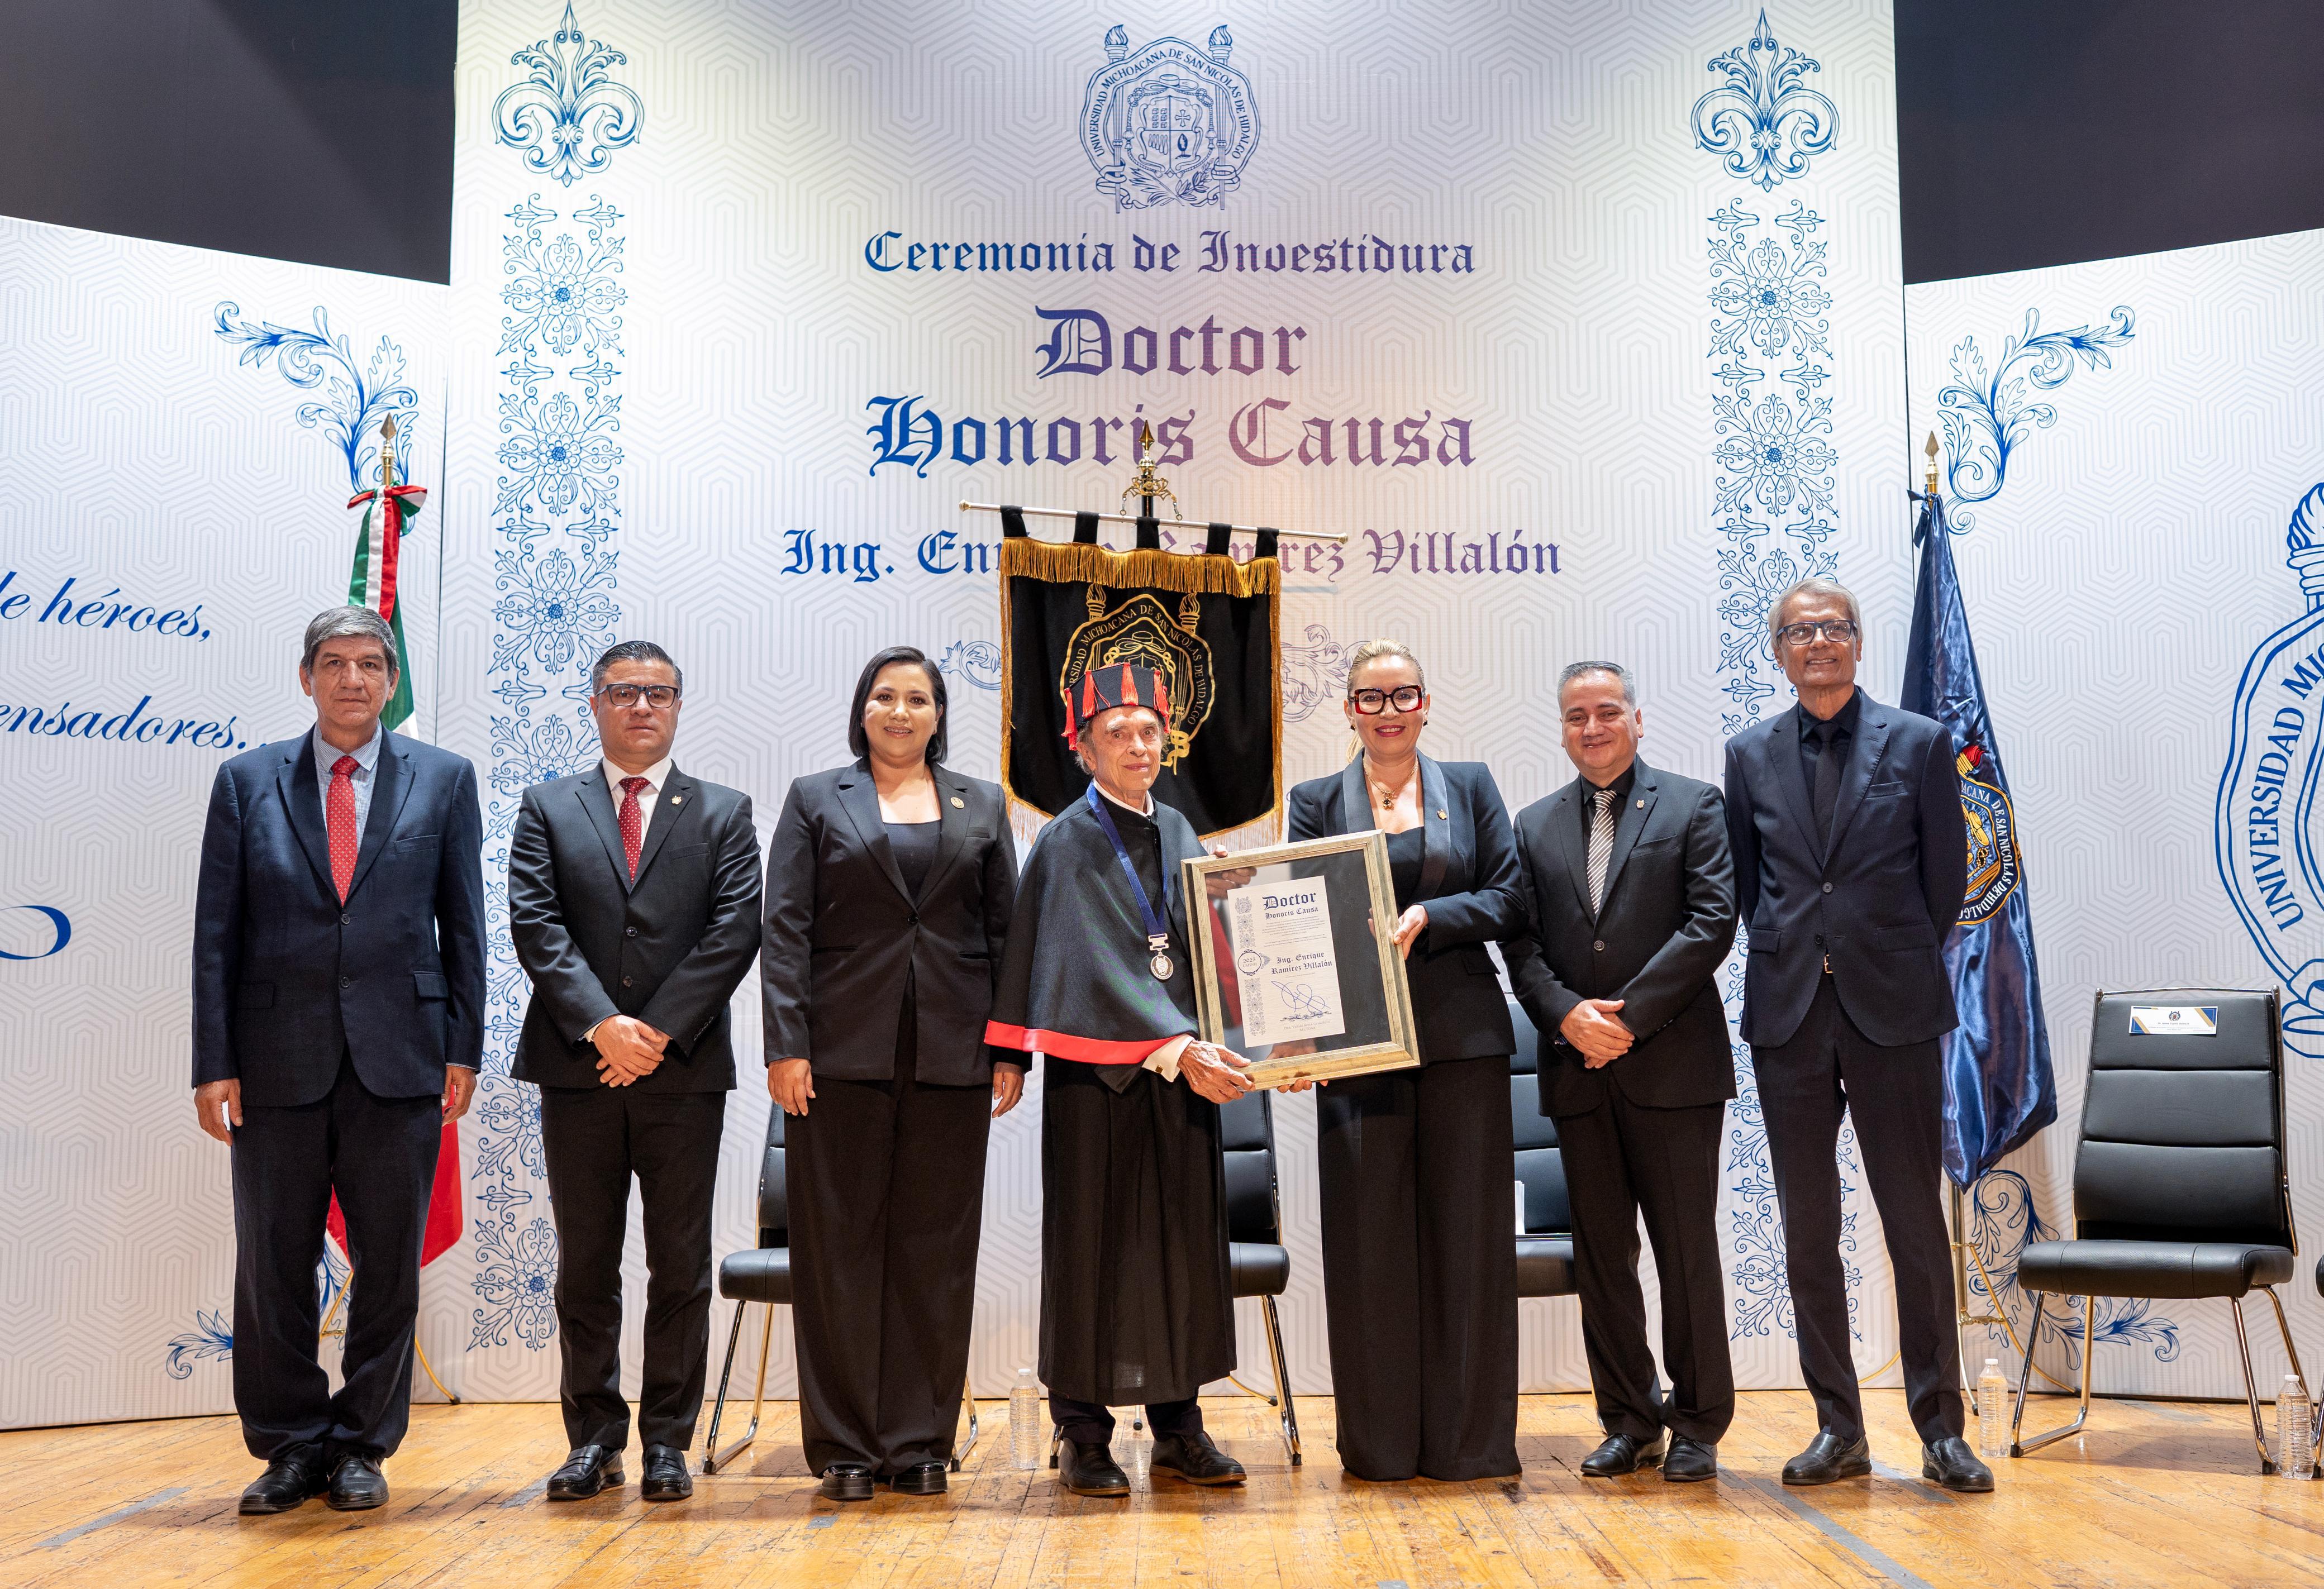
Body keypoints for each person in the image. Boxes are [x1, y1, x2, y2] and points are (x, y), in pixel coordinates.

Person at [191, 605, 484, 1516]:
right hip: (274, 1062)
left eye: (369, 664)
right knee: (271, 1263)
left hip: (401, 1060)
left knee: (388, 1265)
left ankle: (363, 1444)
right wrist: (213, 1060)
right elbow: (215, 936)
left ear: (391, 682)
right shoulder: (246, 780)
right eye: (334, 662)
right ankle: (289, 1445)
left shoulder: (444, 779)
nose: (352, 678)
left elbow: (463, 925)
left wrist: (462, 1047)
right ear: (306, 676)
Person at [1723, 578, 1991, 1493]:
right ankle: (1839, 1428)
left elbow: (1947, 881)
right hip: (1791, 1016)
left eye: (1834, 627)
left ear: (1859, 643)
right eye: (1800, 631)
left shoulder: (1917, 743)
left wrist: (1875, 951)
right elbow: (1753, 887)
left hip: (1895, 1011)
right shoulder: (1748, 754)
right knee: (1808, 1231)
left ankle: (1940, 1429)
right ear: (1780, 652)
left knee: (1915, 1224)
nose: (1820, 642)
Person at [985, 662, 1253, 1498]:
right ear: (1082, 745)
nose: (1137, 745)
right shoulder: (1068, 838)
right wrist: (1177, 1045)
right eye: (1117, 732)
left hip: (1179, 1081)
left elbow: (1187, 949)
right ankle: (1084, 1433)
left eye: (1148, 730)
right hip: (1097, 1083)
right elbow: (1090, 965)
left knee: (1182, 1251)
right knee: (1092, 1253)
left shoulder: (1176, 826)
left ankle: (1179, 1428)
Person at [761, 646, 1022, 1501]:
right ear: (862, 708)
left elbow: (1007, 936)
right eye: (885, 696)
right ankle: (843, 1446)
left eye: (918, 698)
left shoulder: (981, 803)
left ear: (940, 714)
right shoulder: (813, 799)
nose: (901, 711)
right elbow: (785, 929)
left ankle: (919, 1443)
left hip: (954, 1054)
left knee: (935, 1252)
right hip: (836, 1056)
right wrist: (785, 1045)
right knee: (838, 1250)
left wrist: (1012, 1048)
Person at [507, 640, 764, 1504]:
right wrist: (601, 1027)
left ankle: (667, 1441)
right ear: (595, 703)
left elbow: (735, 931)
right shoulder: (548, 805)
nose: (641, 706)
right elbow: (536, 924)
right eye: (624, 691)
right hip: (577, 1070)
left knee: (680, 1263)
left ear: (680, 706)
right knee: (586, 1263)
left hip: (682, 1072)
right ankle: (593, 1438)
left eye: (658, 692)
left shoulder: (725, 811)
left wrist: (649, 1032)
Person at [1282, 638, 1526, 1483]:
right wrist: (1296, 1035)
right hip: (1359, 1047)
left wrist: (1434, 915)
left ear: (1427, 704)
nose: (1389, 710)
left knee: (1469, 1240)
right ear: (1349, 709)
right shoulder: (1313, 800)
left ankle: (1472, 1444)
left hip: (1464, 1037)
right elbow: (1298, 915)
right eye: (1371, 697)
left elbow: (1508, 894)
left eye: (1404, 694)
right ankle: (1380, 1445)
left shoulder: (1473, 785)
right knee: (1368, 1244)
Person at [1503, 662, 1737, 1483]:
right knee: (1605, 1256)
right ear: (1562, 729)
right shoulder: (1532, 825)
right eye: (1577, 716)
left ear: (1639, 718)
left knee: (1684, 1251)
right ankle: (1629, 1418)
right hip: (1576, 1069)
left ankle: (1700, 1421)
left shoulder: (1693, 803)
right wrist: (1570, 1016)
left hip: (1673, 1067)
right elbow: (1520, 944)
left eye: (1608, 712)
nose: (1593, 727)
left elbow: (1713, 921)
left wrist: (1626, 1019)